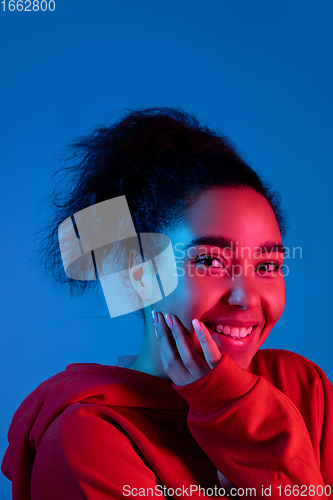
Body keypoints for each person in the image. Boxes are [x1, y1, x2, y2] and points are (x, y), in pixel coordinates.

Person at [2, 108, 333, 500]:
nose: (245, 298)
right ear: (137, 274)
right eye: (209, 261)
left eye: (267, 265)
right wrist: (249, 428)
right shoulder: (88, 436)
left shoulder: (302, 388)